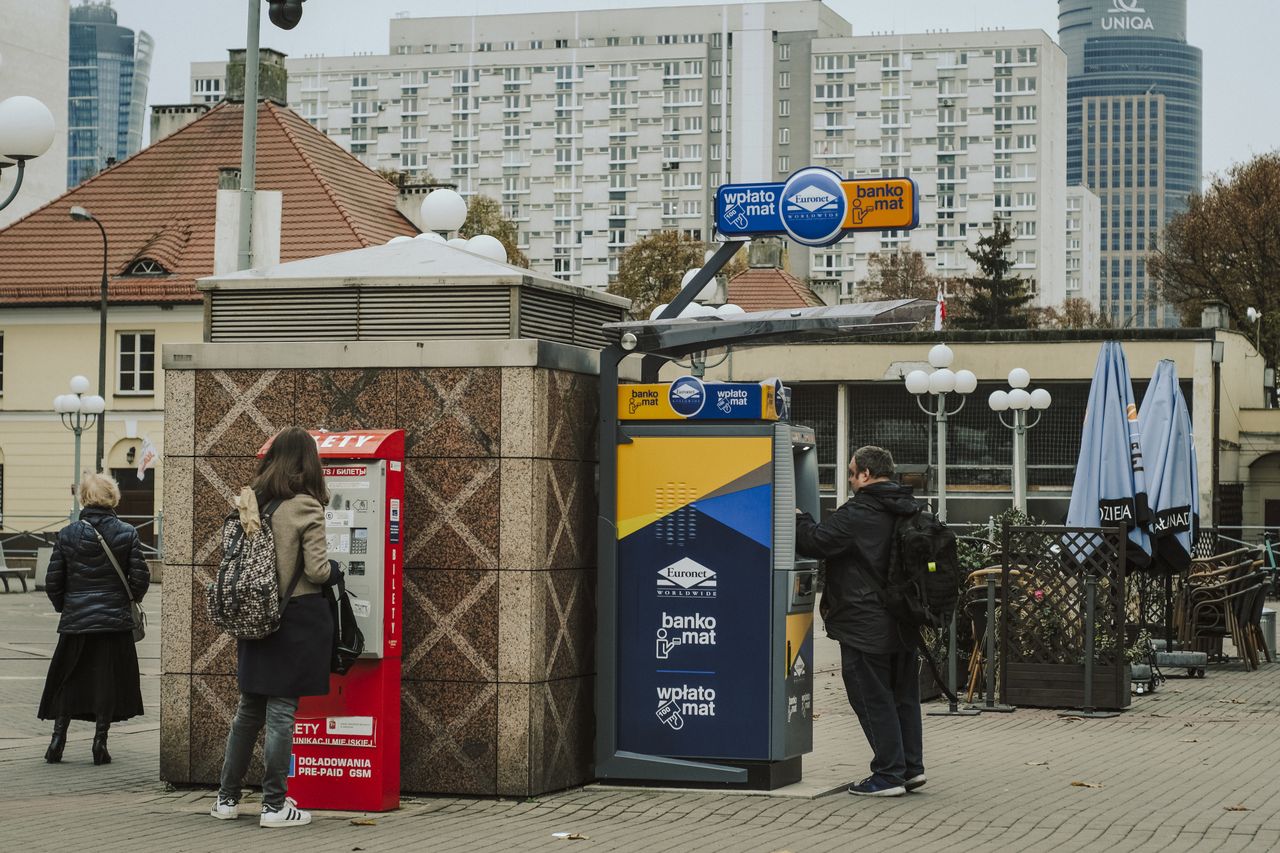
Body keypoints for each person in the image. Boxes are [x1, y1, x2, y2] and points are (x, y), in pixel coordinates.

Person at [210, 426, 336, 829]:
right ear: (309, 462)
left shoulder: (255, 501)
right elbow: (316, 569)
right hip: (294, 617)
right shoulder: (306, 506)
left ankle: (226, 800)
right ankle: (274, 806)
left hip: (254, 615)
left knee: (249, 709)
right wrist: (338, 572)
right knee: (282, 710)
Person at [796, 445, 924, 797]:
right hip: (902, 620)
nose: (851, 479)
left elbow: (815, 541)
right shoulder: (908, 506)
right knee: (903, 697)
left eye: (851, 473)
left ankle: (888, 775)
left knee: (872, 698)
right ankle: (911, 768)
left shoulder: (859, 511)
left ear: (865, 474)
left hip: (864, 623)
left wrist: (797, 517)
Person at [40, 472, 150, 765]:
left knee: (68, 679)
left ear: (85, 499)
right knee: (107, 681)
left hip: (76, 624)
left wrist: (68, 607)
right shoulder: (127, 532)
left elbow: (53, 582)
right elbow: (140, 579)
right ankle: (100, 743)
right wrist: (129, 600)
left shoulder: (68, 533)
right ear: (112, 497)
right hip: (114, 624)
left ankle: (57, 740)